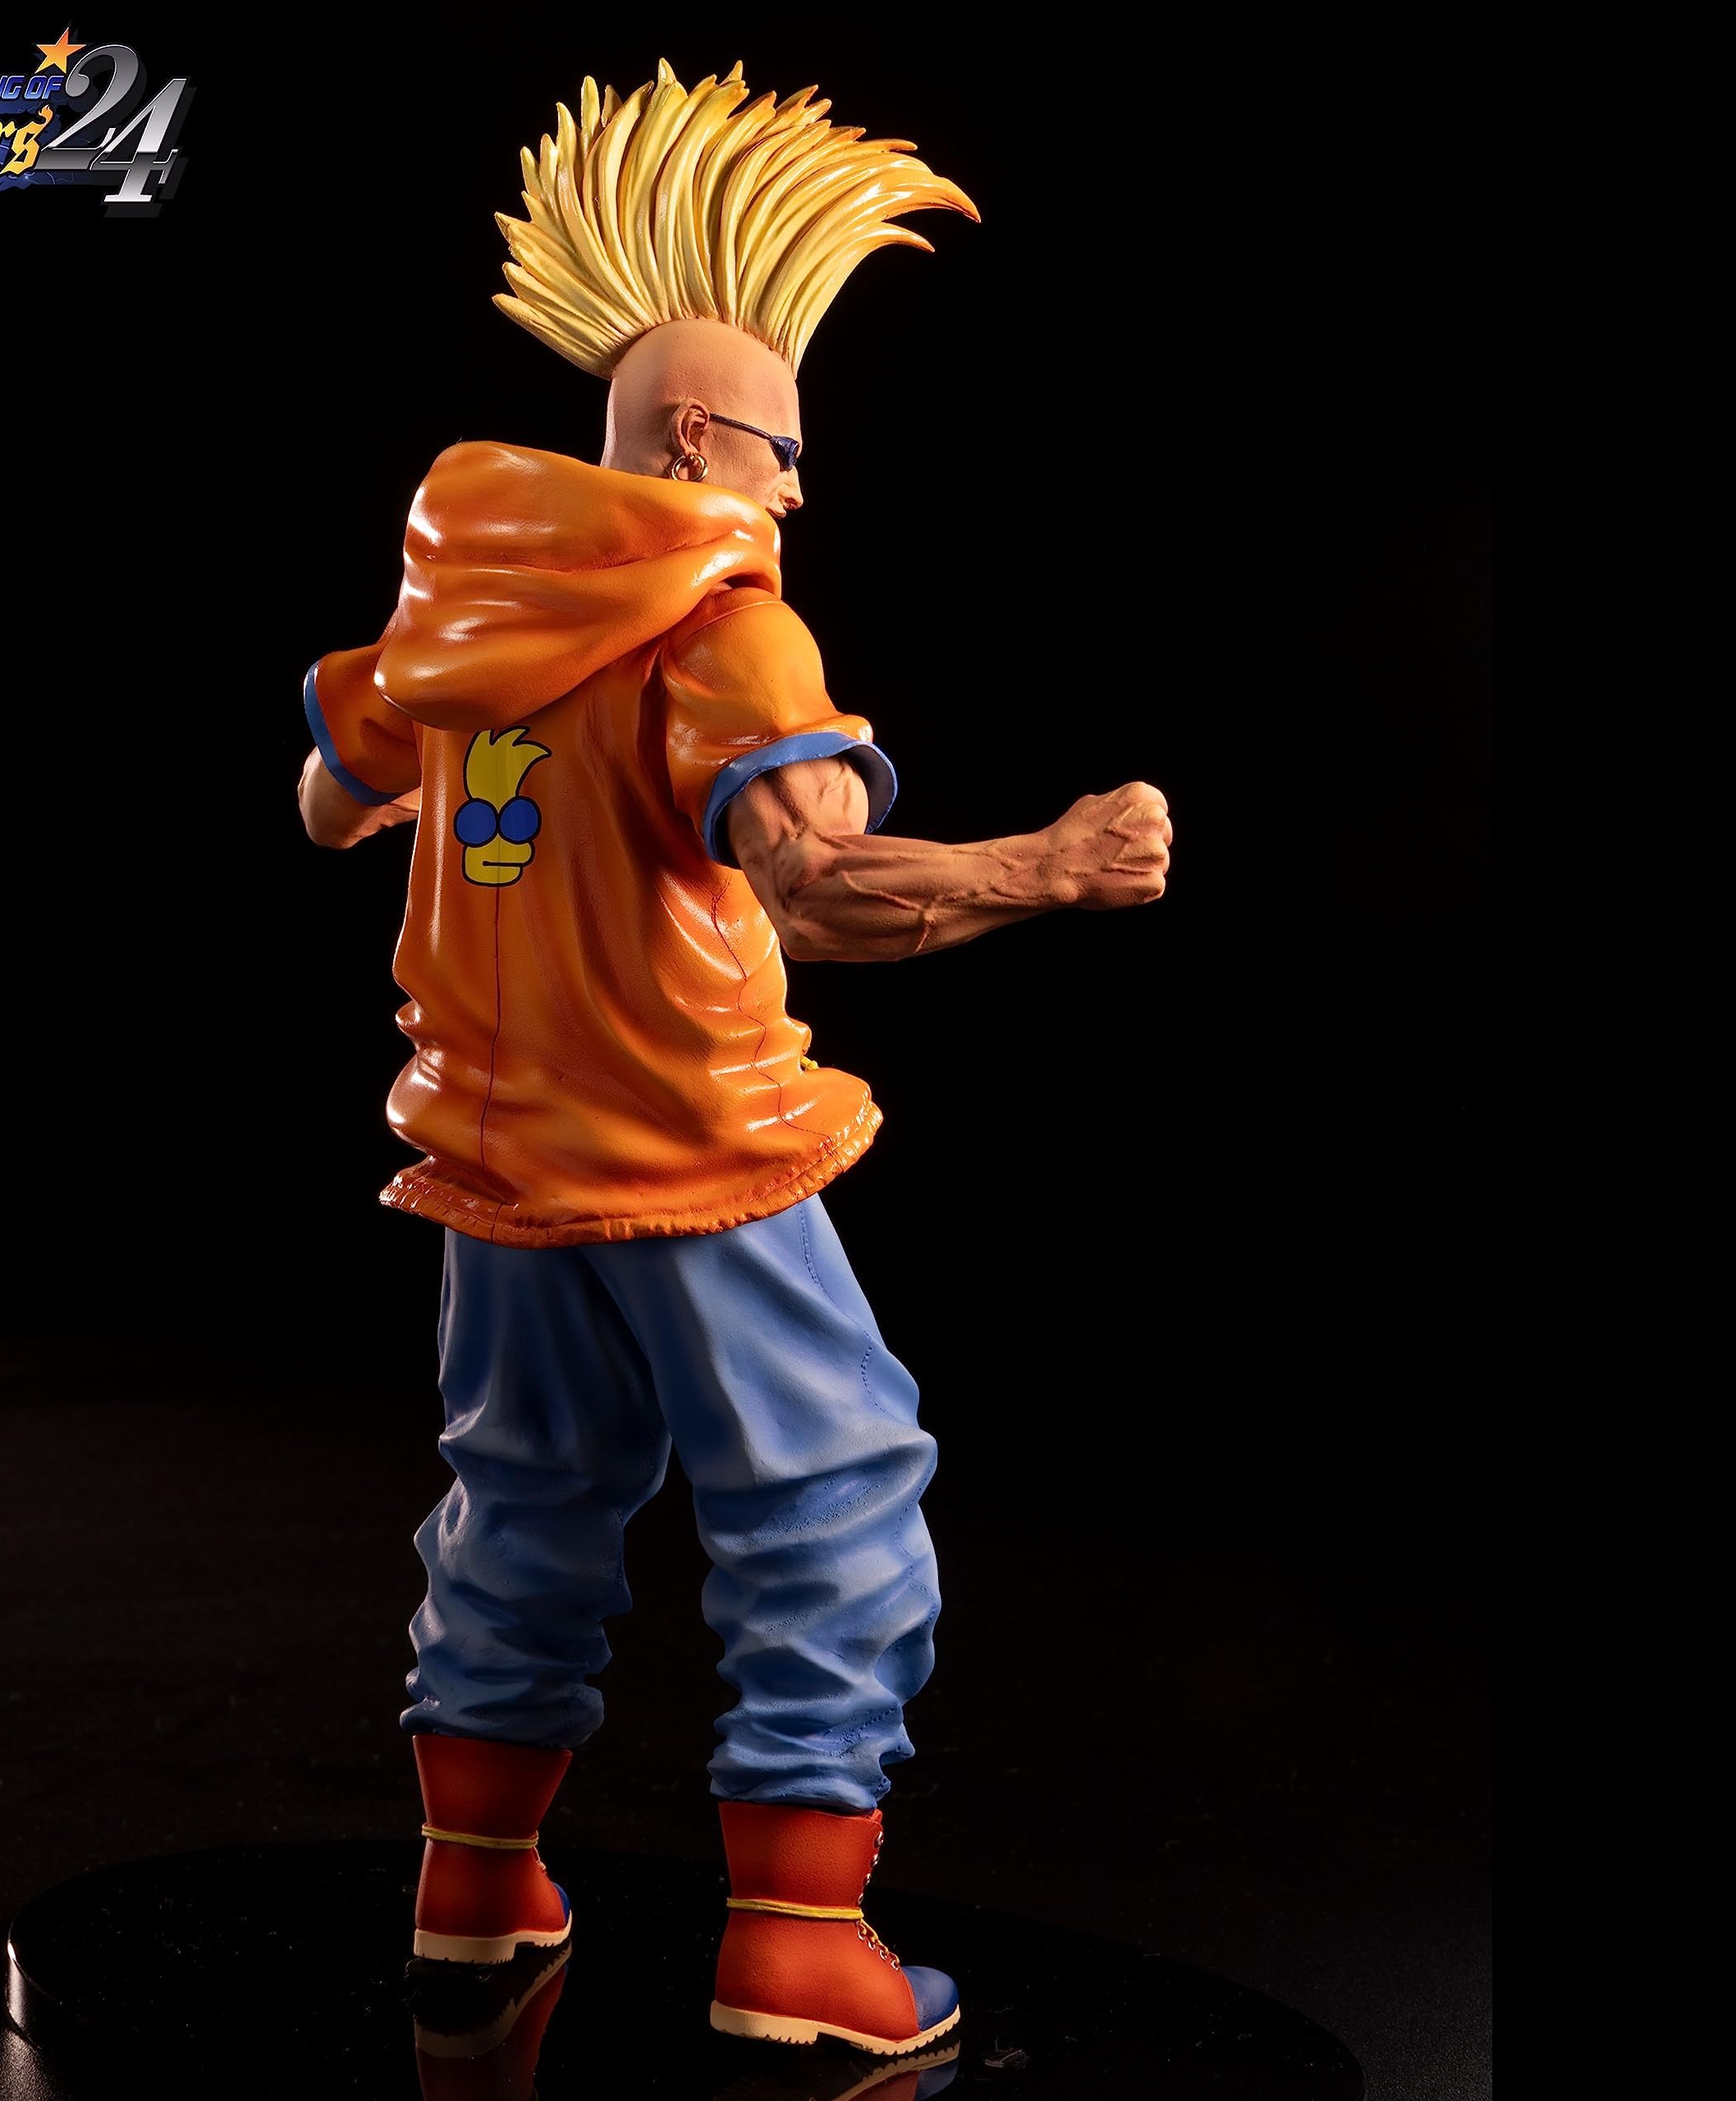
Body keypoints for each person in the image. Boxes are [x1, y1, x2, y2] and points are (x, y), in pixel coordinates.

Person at [296, 60, 1171, 2058]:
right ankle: (791, 1940)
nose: (789, 490)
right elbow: (824, 889)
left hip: (495, 1160)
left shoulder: (455, 595)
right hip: (692, 1146)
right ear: (696, 434)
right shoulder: (723, 621)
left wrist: (493, 801)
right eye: (778, 447)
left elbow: (326, 798)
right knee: (828, 1493)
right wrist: (1044, 866)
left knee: (520, 1494)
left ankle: (471, 1893)